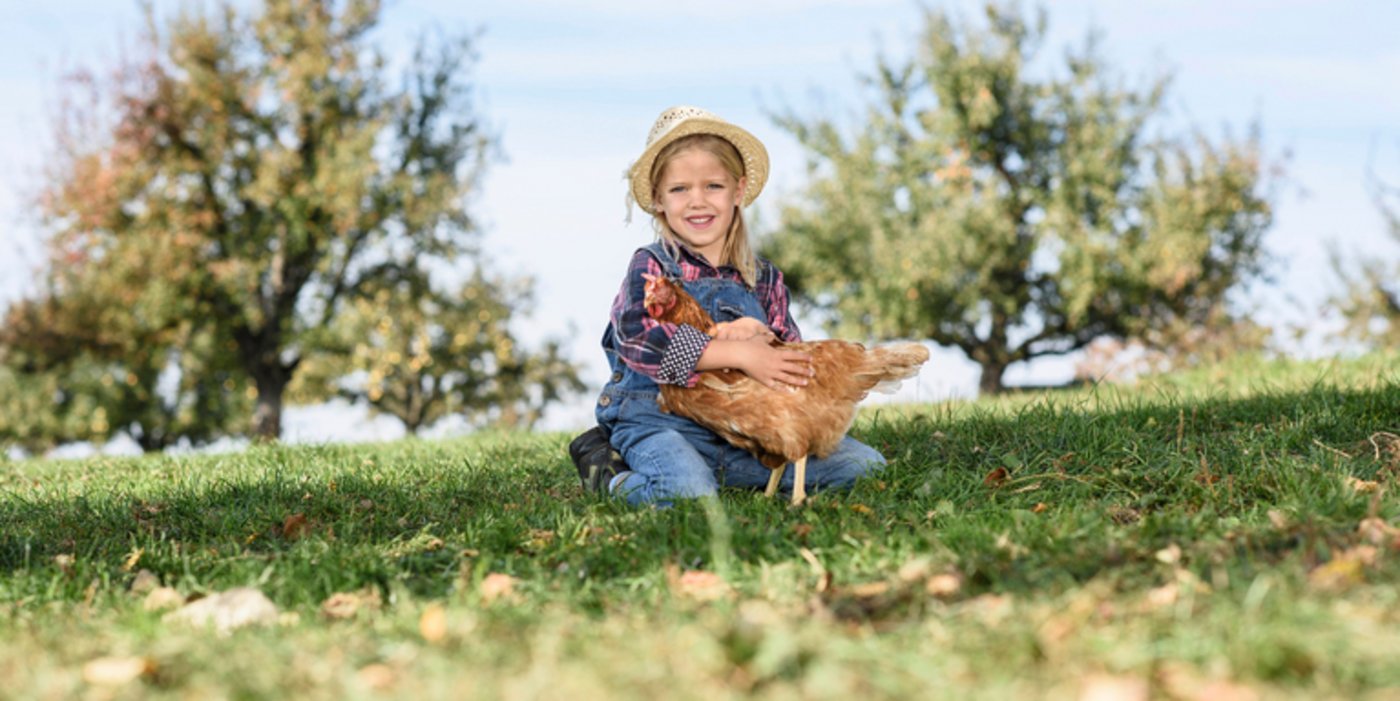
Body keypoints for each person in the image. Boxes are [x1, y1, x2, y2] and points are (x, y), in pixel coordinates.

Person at [570, 105, 886, 506]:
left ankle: (721, 475)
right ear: (658, 200)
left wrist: (769, 347)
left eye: (713, 187)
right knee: (686, 497)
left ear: (737, 192)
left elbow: (789, 356)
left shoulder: (764, 278)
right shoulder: (652, 265)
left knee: (863, 466)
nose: (697, 201)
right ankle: (610, 475)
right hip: (657, 419)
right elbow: (639, 339)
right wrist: (735, 350)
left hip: (741, 427)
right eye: (680, 189)